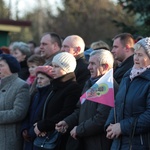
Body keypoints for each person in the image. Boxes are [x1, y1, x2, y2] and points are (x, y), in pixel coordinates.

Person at [56, 50, 118, 150]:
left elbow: (101, 119)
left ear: (105, 66)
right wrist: (67, 121)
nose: (88, 67)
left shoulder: (108, 87)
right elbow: (80, 109)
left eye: (93, 64)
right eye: (89, 63)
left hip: (98, 144)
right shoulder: (91, 83)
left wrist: (79, 129)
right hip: (84, 141)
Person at [105, 37, 150, 150]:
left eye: (140, 55)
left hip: (140, 144)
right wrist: (110, 125)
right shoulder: (128, 76)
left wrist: (121, 127)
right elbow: (117, 103)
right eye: (135, 54)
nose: (136, 58)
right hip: (119, 143)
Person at [33, 52, 82, 150]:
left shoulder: (73, 87)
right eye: (52, 66)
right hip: (44, 134)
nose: (52, 69)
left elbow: (66, 113)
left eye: (57, 67)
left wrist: (43, 126)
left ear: (66, 69)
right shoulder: (55, 85)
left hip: (58, 138)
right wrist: (38, 123)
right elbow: (45, 106)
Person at [0, 54, 30, 150]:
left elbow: (18, 113)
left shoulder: (21, 86)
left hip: (8, 139)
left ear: (11, 67)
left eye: (1, 65)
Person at [22, 65, 53, 150]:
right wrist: (24, 128)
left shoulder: (50, 95)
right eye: (38, 78)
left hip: (40, 135)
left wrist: (32, 132)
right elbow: (27, 112)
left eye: (42, 78)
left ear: (50, 79)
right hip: (29, 136)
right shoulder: (35, 94)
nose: (38, 81)